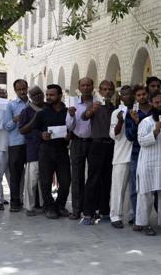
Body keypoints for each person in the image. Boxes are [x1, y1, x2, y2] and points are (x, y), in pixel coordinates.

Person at [133, 92, 161, 236]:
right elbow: (141, 142)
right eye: (157, 102)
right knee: (145, 194)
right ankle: (142, 223)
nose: (160, 105)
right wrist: (156, 130)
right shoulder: (146, 122)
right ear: (152, 104)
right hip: (148, 163)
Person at [32, 84, 71, 219]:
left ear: (60, 96)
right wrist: (41, 134)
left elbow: (72, 128)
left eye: (52, 95)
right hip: (46, 150)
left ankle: (60, 205)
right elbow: (34, 130)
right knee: (45, 181)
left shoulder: (67, 113)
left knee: (65, 181)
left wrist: (69, 135)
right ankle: (48, 207)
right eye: (47, 95)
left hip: (62, 150)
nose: (48, 97)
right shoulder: (41, 113)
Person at [80, 80, 116, 225]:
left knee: (107, 180)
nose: (107, 92)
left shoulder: (113, 107)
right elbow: (84, 117)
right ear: (99, 91)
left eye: (110, 89)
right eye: (104, 89)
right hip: (96, 145)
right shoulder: (94, 105)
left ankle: (104, 211)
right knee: (93, 180)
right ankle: (88, 213)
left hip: (111, 145)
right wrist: (91, 111)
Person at [66, 77, 95, 219]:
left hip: (94, 142)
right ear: (79, 87)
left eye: (88, 85)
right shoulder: (74, 104)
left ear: (92, 87)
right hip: (77, 141)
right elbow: (69, 127)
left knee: (94, 176)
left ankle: (90, 208)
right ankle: (76, 209)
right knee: (77, 176)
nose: (85, 87)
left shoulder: (98, 103)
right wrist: (71, 115)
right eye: (83, 85)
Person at [125, 85, 152, 225]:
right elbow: (129, 136)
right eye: (139, 95)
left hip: (154, 154)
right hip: (137, 153)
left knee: (154, 188)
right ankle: (137, 217)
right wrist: (136, 123)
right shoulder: (131, 113)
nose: (142, 97)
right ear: (135, 97)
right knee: (135, 187)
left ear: (147, 94)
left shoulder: (155, 110)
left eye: (144, 94)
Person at [109, 85, 134, 228]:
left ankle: (133, 215)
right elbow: (114, 135)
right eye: (124, 95)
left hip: (136, 155)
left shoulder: (139, 111)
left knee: (135, 189)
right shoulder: (117, 113)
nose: (128, 97)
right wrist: (120, 121)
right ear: (121, 97)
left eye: (130, 94)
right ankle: (116, 216)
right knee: (118, 188)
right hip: (121, 155)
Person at [18, 86, 46, 216]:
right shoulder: (27, 111)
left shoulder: (49, 108)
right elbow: (22, 130)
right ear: (30, 97)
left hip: (49, 149)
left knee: (45, 180)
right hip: (33, 149)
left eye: (39, 93)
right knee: (32, 179)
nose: (37, 96)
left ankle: (45, 204)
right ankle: (29, 207)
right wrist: (35, 118)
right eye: (34, 95)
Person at [4, 79, 30, 212]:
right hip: (16, 143)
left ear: (27, 88)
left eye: (24, 89)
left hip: (31, 144)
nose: (22, 92)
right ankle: (15, 202)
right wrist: (15, 119)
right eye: (19, 89)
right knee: (15, 175)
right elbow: (6, 126)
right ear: (15, 90)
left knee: (33, 174)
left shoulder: (33, 104)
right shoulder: (11, 105)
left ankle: (33, 202)